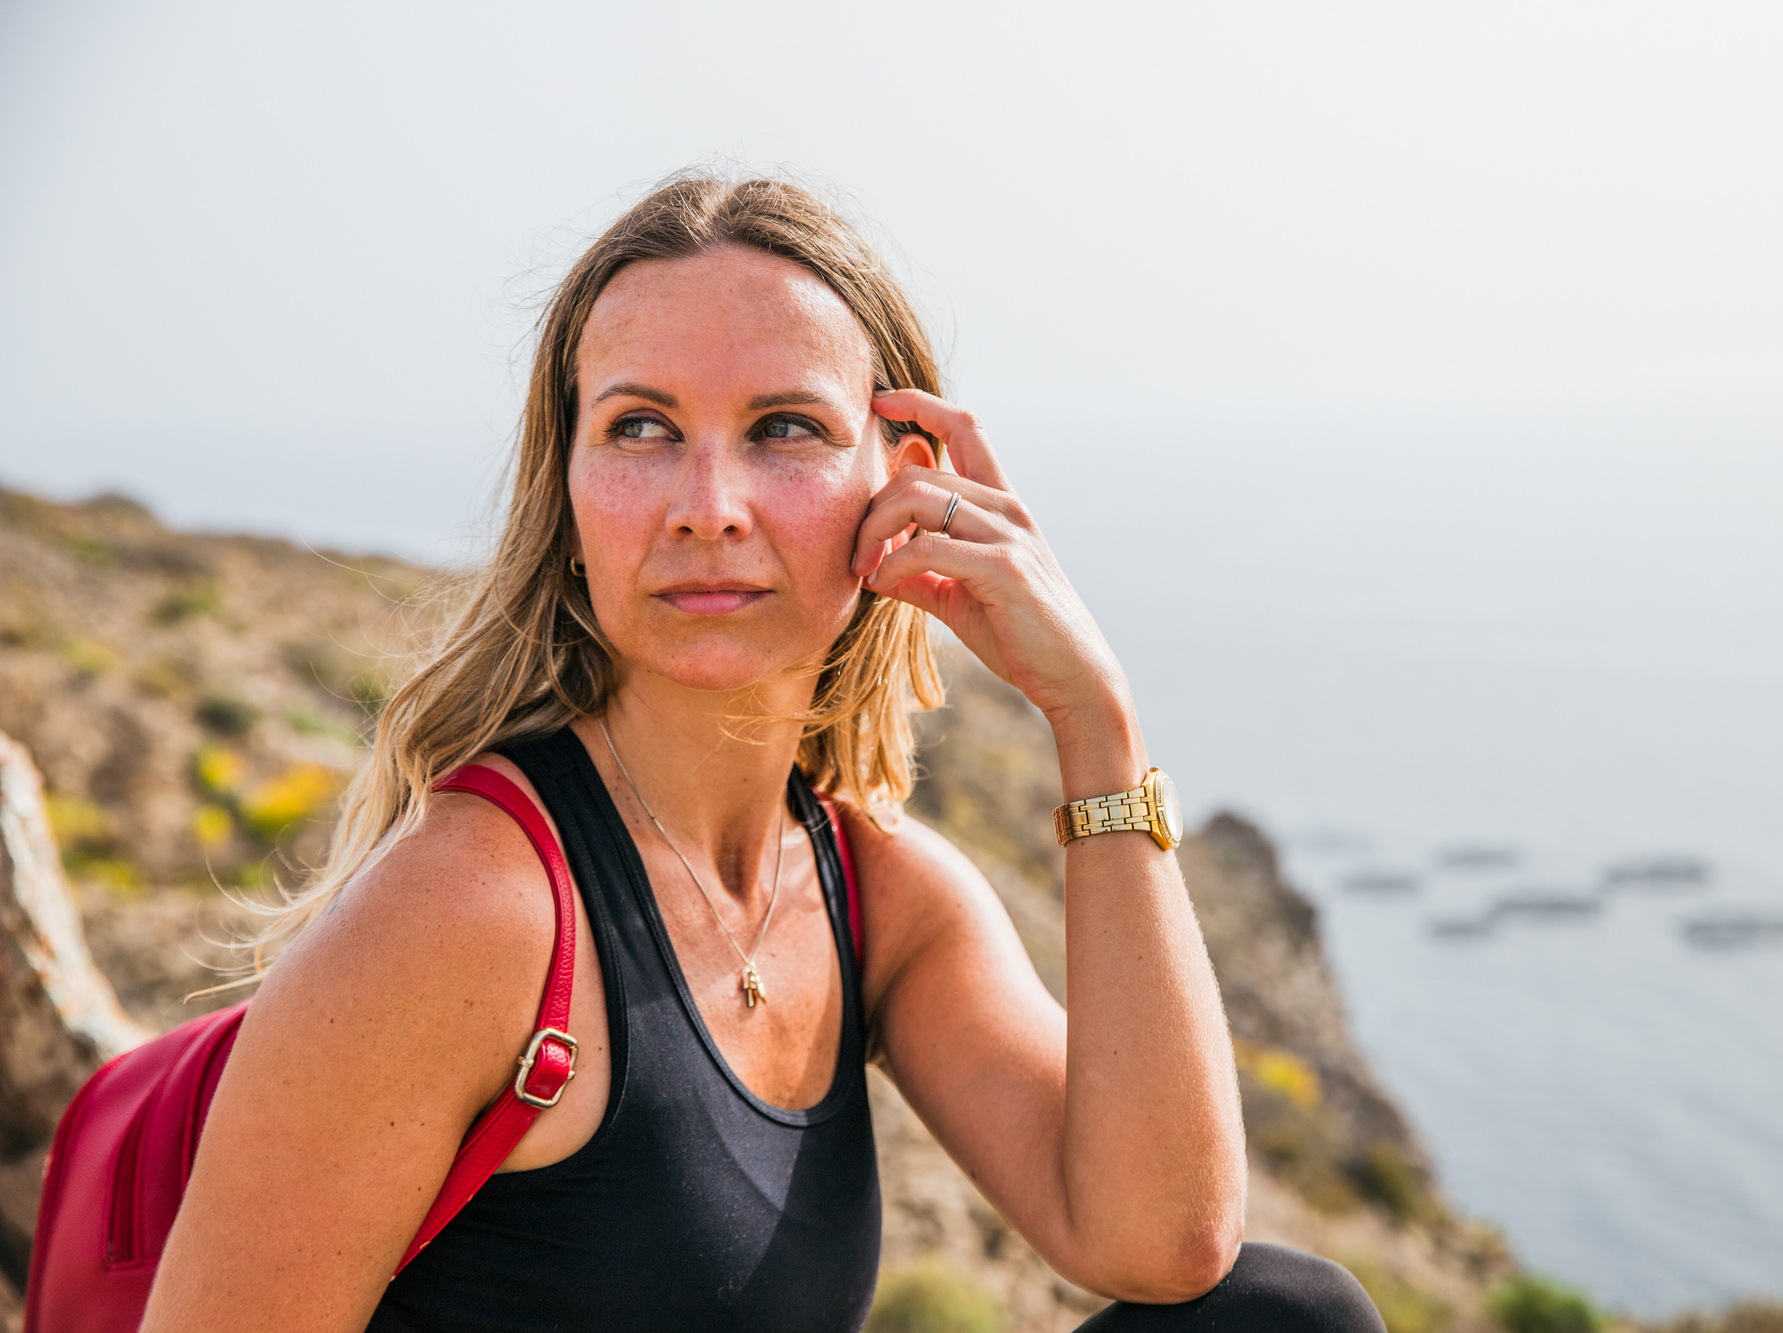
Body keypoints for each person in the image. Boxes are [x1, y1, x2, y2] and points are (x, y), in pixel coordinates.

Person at [140, 174, 1385, 1333]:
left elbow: (1164, 1241)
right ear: (568, 491)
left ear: (904, 487)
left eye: (783, 427)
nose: (707, 502)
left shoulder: (879, 891)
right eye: (641, 428)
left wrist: (1095, 723)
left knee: (1281, 1314)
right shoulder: (471, 910)